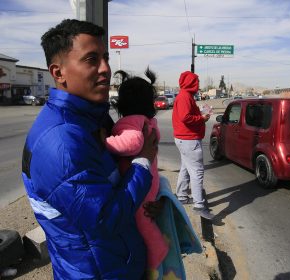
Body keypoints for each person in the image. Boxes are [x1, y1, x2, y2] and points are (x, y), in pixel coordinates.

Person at [21, 19, 158, 279]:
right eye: (91, 59)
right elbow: (105, 219)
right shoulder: (61, 142)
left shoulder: (92, 118)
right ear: (58, 73)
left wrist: (148, 201)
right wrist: (143, 163)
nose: (105, 69)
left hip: (118, 263)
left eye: (105, 58)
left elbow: (113, 185)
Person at [104, 69, 168, 277]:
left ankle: (157, 254)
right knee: (145, 220)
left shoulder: (132, 121)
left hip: (142, 183)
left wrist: (105, 142)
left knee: (142, 221)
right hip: (148, 179)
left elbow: (132, 143)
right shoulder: (145, 120)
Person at [171, 71, 214, 220]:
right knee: (197, 172)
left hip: (185, 139)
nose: (198, 85)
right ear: (191, 83)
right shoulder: (184, 97)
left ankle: (182, 196)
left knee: (185, 168)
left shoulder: (185, 96)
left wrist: (201, 117)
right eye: (197, 82)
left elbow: (188, 116)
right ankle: (199, 206)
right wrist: (201, 117)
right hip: (189, 140)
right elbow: (185, 117)